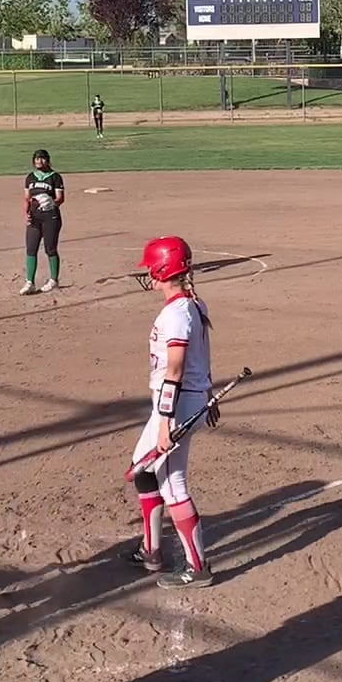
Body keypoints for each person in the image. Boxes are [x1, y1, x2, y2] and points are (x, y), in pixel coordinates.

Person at [127, 236, 222, 590]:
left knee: (172, 483)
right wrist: (208, 393)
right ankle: (151, 550)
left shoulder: (177, 314)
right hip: (184, 402)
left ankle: (198, 567)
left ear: (164, 269)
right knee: (141, 467)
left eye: (151, 267)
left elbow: (177, 370)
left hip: (177, 406)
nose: (148, 273)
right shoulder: (192, 305)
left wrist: (166, 423)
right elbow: (202, 357)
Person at [19, 148, 66, 295]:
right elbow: (27, 199)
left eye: (42, 158)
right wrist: (26, 214)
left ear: (48, 160)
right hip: (34, 218)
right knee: (31, 248)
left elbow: (60, 198)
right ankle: (30, 282)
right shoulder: (30, 178)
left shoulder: (55, 177)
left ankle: (53, 280)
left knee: (50, 249)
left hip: (51, 217)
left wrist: (52, 202)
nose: (39, 161)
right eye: (37, 158)